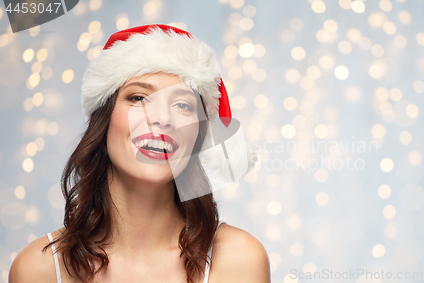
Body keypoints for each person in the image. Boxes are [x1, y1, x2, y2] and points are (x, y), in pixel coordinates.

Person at [9, 24, 270, 283]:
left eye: (182, 105)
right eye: (138, 98)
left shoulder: (238, 260)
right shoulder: (38, 268)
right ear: (104, 119)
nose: (162, 118)